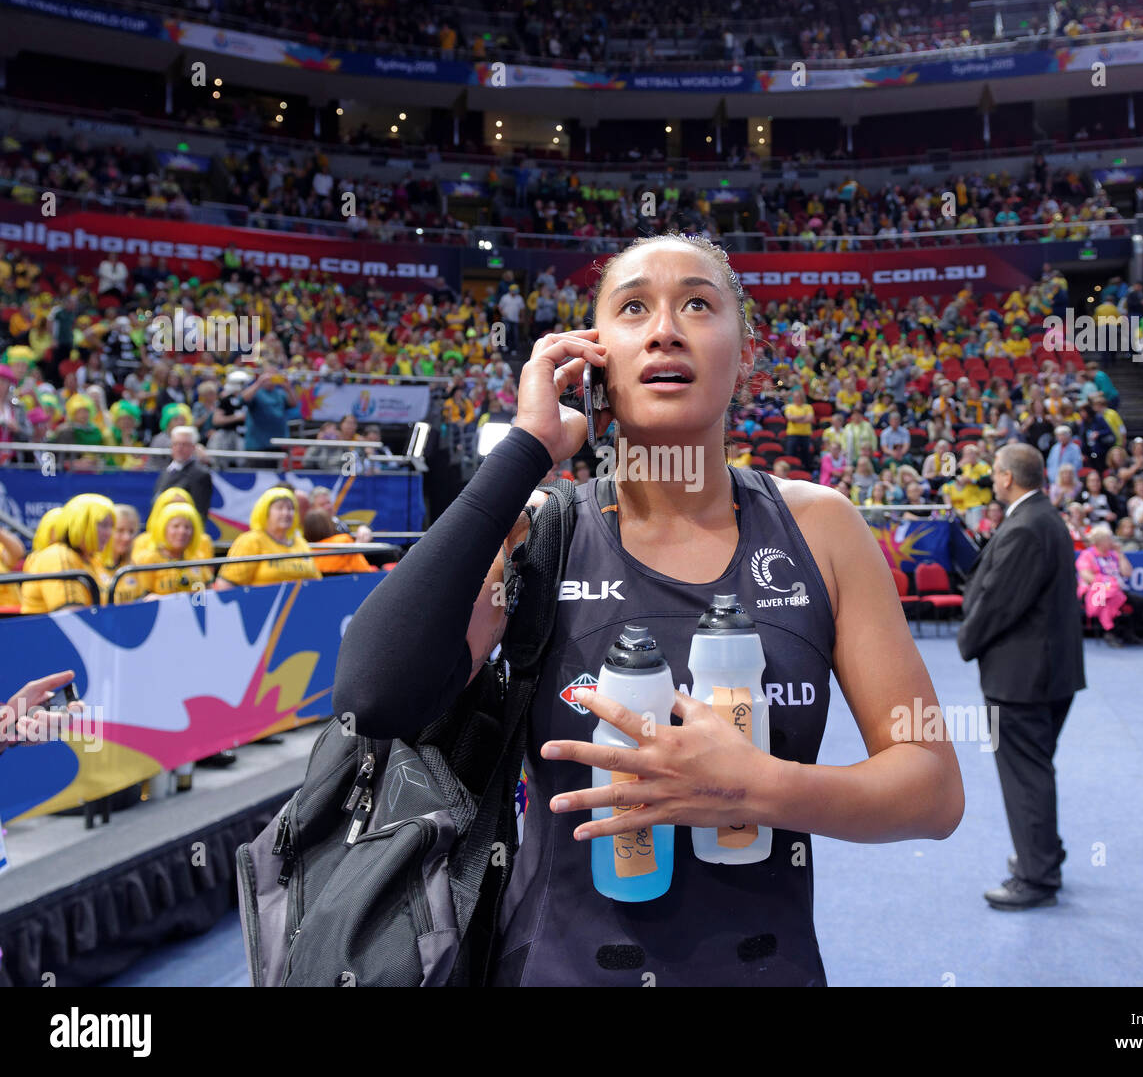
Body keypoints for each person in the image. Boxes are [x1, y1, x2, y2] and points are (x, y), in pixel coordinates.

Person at [334, 230, 963, 986]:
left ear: (746, 353)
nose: (666, 327)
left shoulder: (821, 527)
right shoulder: (541, 526)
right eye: (634, 308)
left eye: (698, 303)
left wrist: (753, 787)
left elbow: (931, 788)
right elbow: (372, 695)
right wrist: (526, 449)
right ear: (593, 356)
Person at [957, 442, 1086, 911]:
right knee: (1036, 770)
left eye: (995, 471)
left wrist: (966, 639)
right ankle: (1042, 853)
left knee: (1025, 776)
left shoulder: (1027, 526)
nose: (992, 478)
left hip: (1023, 679)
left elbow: (998, 601)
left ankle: (1036, 875)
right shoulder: (1043, 518)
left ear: (1008, 477)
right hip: (1047, 674)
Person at [21, 494, 116, 614]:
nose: (109, 533)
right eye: (103, 525)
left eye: (111, 526)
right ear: (80, 524)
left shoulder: (91, 559)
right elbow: (72, 618)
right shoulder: (57, 556)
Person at [213, 486, 320, 589]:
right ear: (265, 512)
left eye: (291, 508)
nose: (286, 513)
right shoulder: (251, 540)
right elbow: (225, 585)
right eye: (280, 508)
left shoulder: (300, 542)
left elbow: (317, 580)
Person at [1075, 524, 1143, 648]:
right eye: (1108, 539)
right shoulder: (1087, 555)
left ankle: (1128, 633)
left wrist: (1120, 554)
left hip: (1115, 590)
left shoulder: (1113, 554)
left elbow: (1127, 573)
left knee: (1140, 602)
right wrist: (1108, 584)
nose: (1112, 541)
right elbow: (1088, 577)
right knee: (1110, 598)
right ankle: (1110, 632)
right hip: (1094, 591)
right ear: (1099, 541)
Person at [152, 426, 212, 520]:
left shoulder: (200, 474)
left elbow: (200, 512)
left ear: (193, 447)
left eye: (184, 444)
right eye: (176, 444)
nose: (179, 448)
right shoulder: (168, 470)